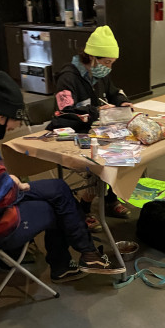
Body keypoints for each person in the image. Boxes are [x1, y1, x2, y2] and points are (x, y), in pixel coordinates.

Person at [0, 70, 123, 283]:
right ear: (0, 115)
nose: (11, 129)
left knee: (58, 188)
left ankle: (83, 257)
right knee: (59, 203)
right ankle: (77, 260)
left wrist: (2, 179)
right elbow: (2, 197)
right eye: (12, 124)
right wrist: (15, 183)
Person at [53, 25, 132, 232]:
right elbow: (65, 111)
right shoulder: (68, 78)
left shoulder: (101, 74)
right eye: (106, 62)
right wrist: (96, 110)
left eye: (112, 63)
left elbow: (114, 92)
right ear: (92, 57)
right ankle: (84, 207)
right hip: (73, 130)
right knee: (101, 160)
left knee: (125, 154)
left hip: (96, 129)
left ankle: (110, 197)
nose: (109, 68)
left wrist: (122, 102)